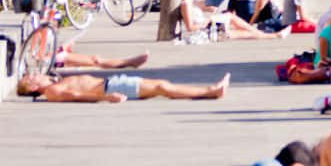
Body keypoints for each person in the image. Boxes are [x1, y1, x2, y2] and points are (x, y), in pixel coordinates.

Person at [18, 71, 231, 103]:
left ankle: (210, 91)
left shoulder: (53, 86)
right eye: (32, 76)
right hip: (110, 87)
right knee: (163, 87)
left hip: (111, 84)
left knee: (161, 87)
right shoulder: (52, 91)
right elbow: (76, 95)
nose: (37, 73)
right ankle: (211, 91)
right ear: (33, 87)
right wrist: (106, 97)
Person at [177, 0, 269, 41]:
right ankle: (263, 34)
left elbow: (212, 9)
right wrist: (206, 22)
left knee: (231, 19)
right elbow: (190, 27)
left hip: (209, 25)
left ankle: (261, 33)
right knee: (230, 19)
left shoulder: (193, 2)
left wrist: (206, 4)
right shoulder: (186, 4)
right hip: (206, 29)